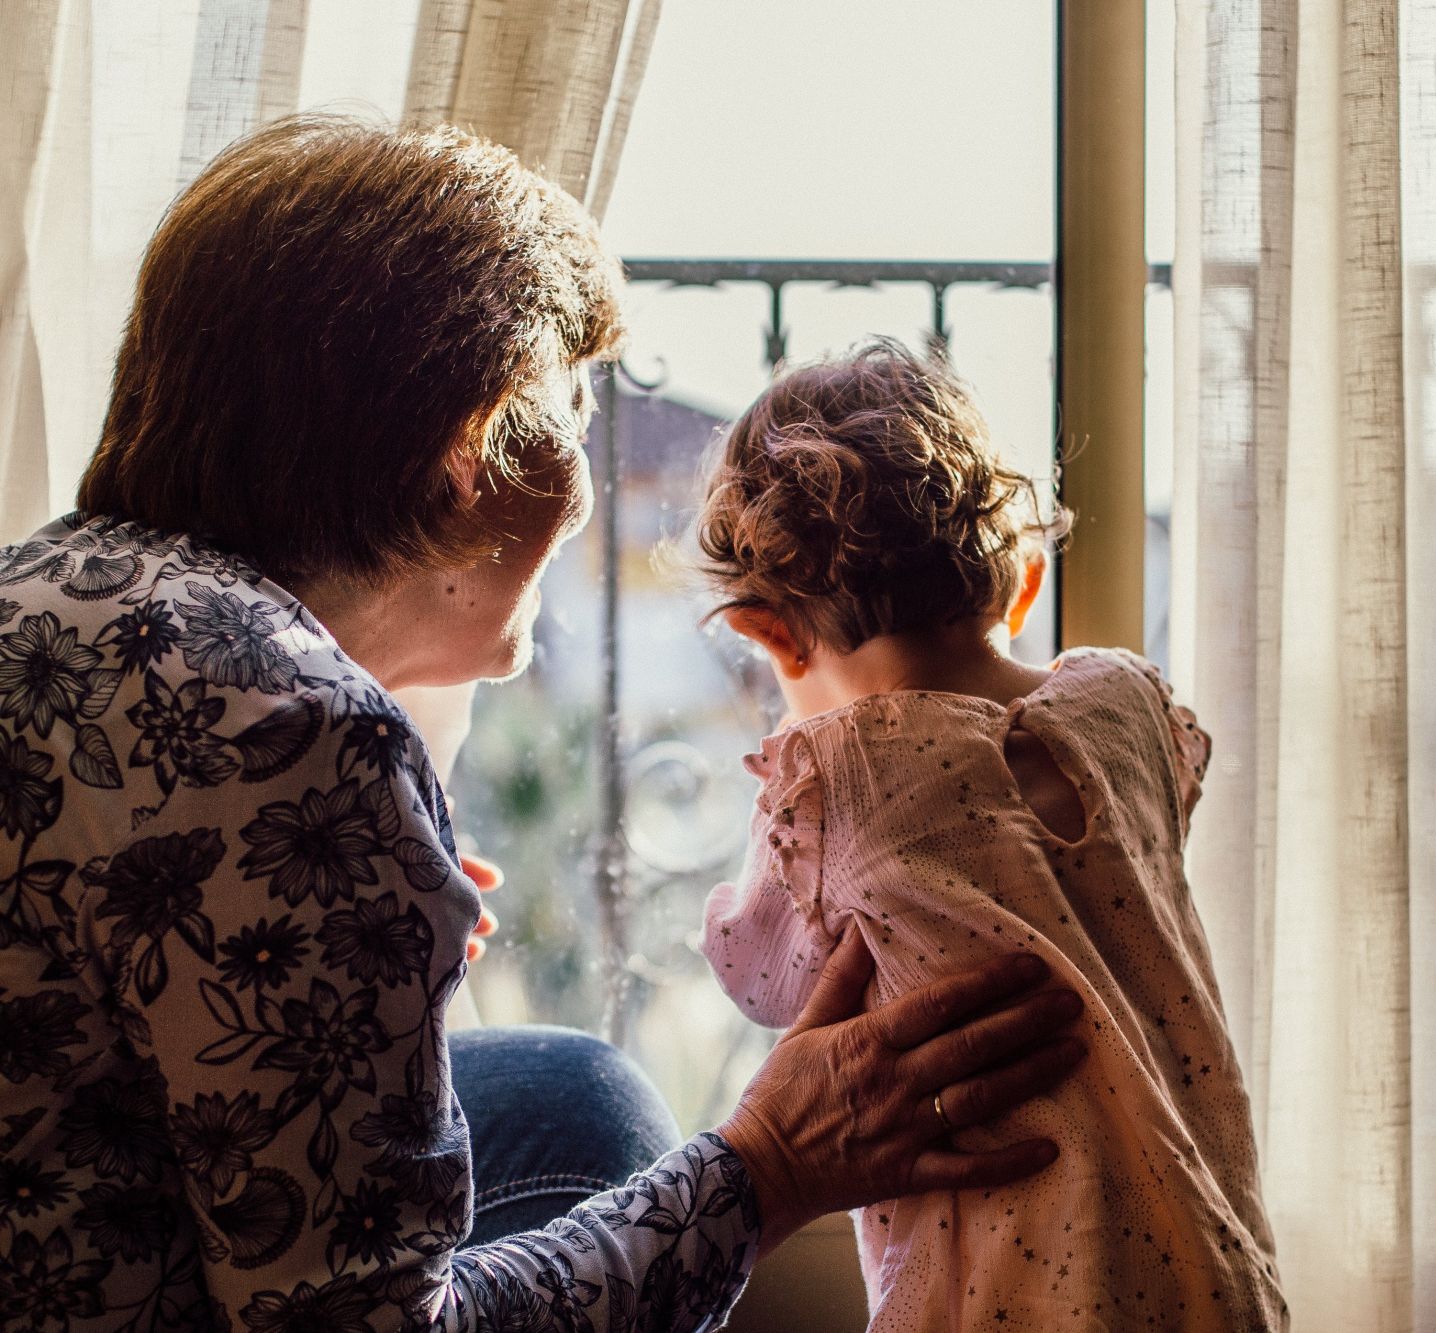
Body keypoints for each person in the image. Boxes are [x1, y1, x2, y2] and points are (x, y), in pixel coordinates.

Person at [0, 117, 1088, 1331]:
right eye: (570, 405)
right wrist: (770, 1166)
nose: (582, 457)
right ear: (472, 446)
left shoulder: (57, 589)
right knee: (624, 1133)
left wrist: (340, 945)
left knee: (572, 1094)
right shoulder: (299, 736)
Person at [696, 342, 1287, 1329]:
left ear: (771, 635)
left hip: (1004, 1293)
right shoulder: (1124, 703)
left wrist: (759, 862)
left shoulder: (837, 772)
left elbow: (764, 977)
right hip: (1208, 1254)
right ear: (1021, 585)